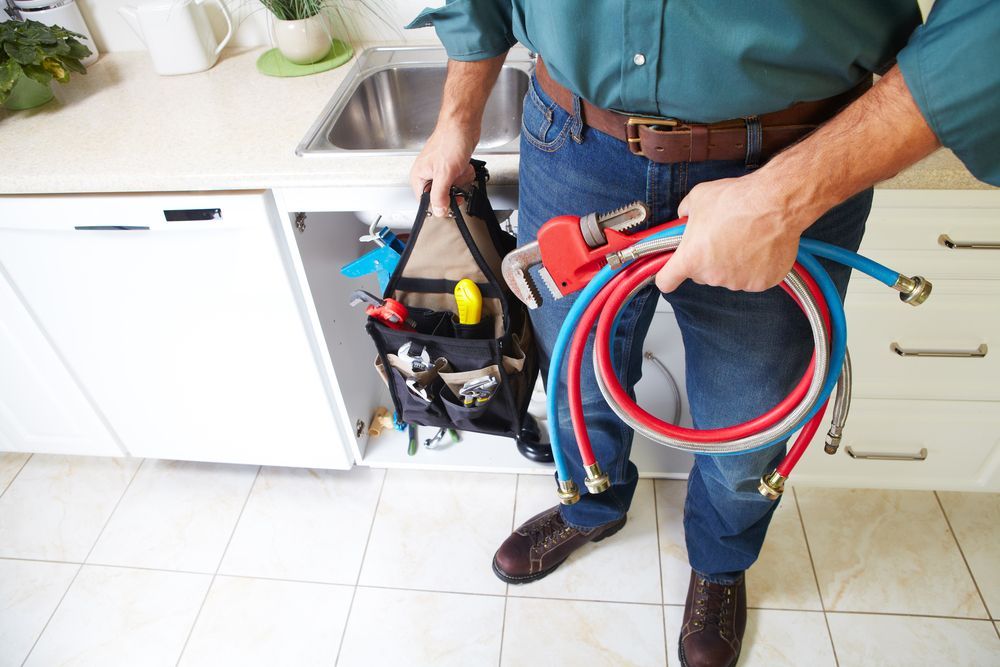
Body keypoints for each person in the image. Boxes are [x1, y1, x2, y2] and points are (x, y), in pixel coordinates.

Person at [407, 2, 999, 665]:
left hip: (791, 153)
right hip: (574, 142)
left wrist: (784, 197)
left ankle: (720, 561)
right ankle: (591, 507)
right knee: (575, 372)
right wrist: (456, 119)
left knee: (752, 414)